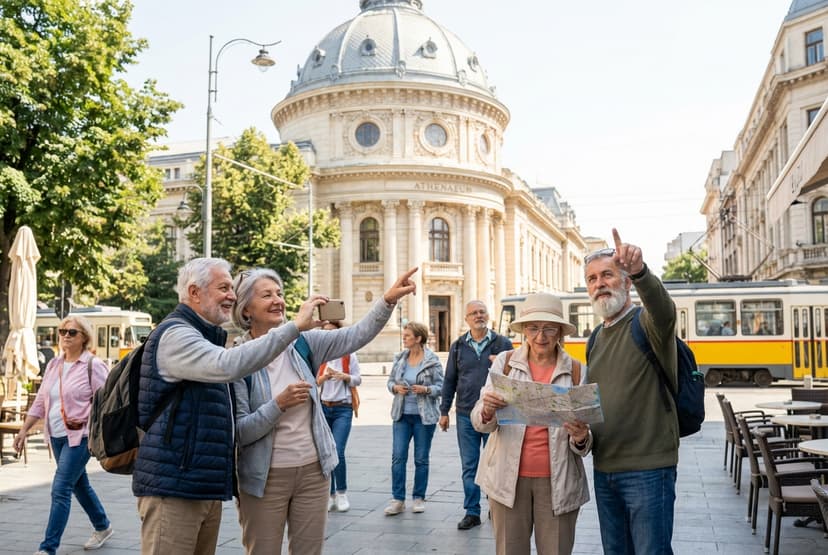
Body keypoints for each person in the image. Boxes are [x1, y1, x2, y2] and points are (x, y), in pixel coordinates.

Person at [132, 257, 331, 555]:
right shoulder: (176, 334)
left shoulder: (206, 335)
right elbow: (227, 365)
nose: (232, 295)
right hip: (173, 486)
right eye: (223, 287)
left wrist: (387, 301)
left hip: (201, 484)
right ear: (195, 292)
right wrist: (293, 329)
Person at [232, 267, 417, 554]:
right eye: (266, 295)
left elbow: (356, 336)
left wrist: (387, 301)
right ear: (246, 309)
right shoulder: (236, 359)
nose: (277, 300)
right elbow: (241, 431)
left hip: (313, 472)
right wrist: (278, 405)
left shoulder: (303, 343)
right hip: (264, 478)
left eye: (279, 293)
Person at [470, 292, 592, 555]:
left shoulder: (576, 370)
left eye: (549, 328)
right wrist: (487, 411)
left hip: (558, 482)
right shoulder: (504, 363)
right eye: (534, 328)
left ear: (560, 332)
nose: (541, 336)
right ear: (524, 330)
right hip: (507, 482)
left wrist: (581, 436)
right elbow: (479, 420)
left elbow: (584, 443)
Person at [583, 229, 678, 555]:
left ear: (625, 282)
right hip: (605, 469)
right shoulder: (595, 338)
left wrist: (641, 271)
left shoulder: (647, 323)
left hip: (648, 471)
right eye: (592, 279)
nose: (599, 284)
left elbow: (665, 309)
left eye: (607, 274)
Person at [14, 316, 114, 555]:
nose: (65, 336)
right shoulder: (54, 365)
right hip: (56, 435)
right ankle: (103, 526)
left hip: (81, 436)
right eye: (62, 332)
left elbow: (107, 402)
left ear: (84, 338)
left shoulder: (92, 365)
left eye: (72, 332)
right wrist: (24, 429)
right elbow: (40, 401)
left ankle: (48, 548)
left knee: (60, 488)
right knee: (79, 484)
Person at [438, 300, 512, 530]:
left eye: (482, 312)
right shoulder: (458, 346)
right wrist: (444, 411)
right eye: (473, 313)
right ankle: (472, 512)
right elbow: (449, 379)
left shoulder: (503, 343)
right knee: (469, 465)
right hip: (465, 414)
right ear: (466, 319)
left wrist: (504, 366)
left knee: (495, 463)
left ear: (488, 316)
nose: (478, 316)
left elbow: (517, 377)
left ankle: (495, 507)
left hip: (495, 414)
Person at [384, 321, 444, 516]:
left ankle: (418, 497)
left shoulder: (432, 360)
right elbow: (390, 382)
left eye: (408, 335)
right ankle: (398, 499)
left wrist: (426, 390)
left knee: (421, 458)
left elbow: (441, 387)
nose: (404, 338)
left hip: (424, 417)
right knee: (398, 457)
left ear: (418, 338)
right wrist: (395, 388)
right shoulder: (400, 358)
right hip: (402, 415)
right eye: (404, 335)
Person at [316, 320, 361, 513]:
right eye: (325, 332)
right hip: (324, 408)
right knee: (324, 452)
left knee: (338, 450)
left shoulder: (348, 354)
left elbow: (358, 378)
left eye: (332, 332)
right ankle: (330, 494)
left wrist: (344, 377)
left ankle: (342, 493)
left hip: (343, 408)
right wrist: (324, 377)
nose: (328, 335)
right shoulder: (319, 356)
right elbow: (313, 382)